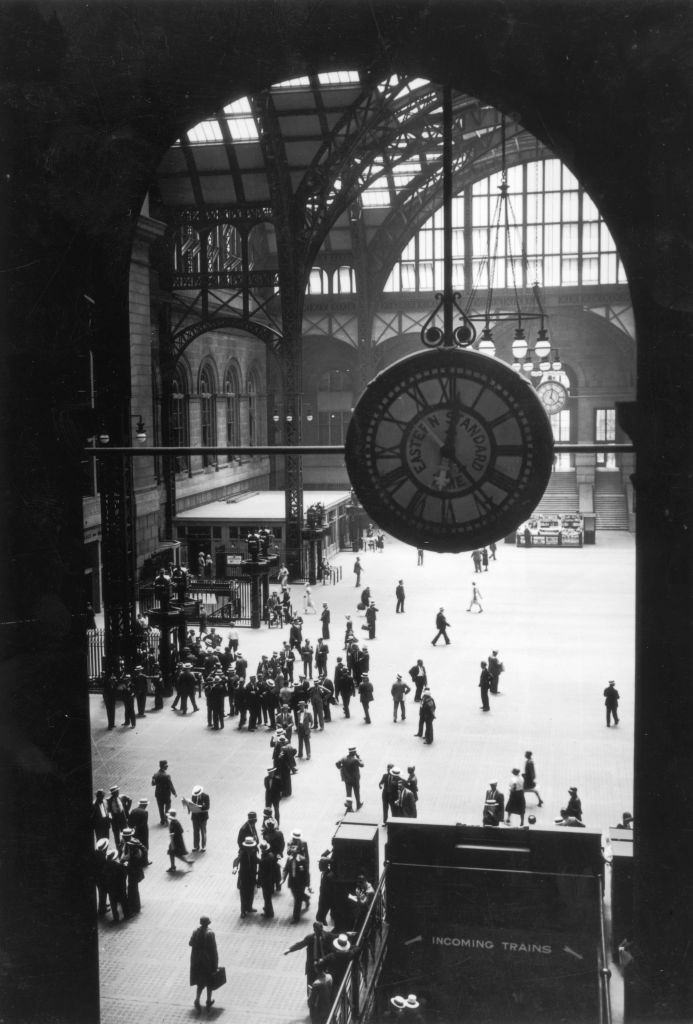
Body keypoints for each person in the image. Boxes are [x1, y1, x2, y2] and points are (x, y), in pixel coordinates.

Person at [189, 915, 219, 1012]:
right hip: (207, 962)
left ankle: (197, 1000)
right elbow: (214, 950)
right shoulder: (210, 933)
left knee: (200, 983)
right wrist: (215, 964)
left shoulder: (195, 931)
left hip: (197, 961)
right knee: (209, 981)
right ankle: (208, 1000)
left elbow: (190, 943)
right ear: (208, 923)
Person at [283, 829, 311, 922]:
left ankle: (296, 917)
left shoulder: (303, 844)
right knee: (296, 895)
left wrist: (307, 882)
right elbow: (287, 855)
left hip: (300, 876)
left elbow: (306, 857)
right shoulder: (290, 843)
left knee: (297, 900)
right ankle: (306, 898)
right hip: (292, 878)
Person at [234, 836, 259, 917]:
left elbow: (256, 860)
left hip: (252, 875)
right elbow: (237, 860)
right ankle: (243, 911)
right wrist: (235, 867)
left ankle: (249, 907)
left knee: (251, 892)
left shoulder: (254, 851)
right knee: (243, 894)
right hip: (244, 876)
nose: (250, 849)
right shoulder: (242, 852)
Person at [183, 785, 210, 852]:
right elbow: (192, 805)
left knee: (203, 832)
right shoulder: (193, 796)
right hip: (195, 817)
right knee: (195, 832)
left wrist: (199, 807)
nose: (196, 795)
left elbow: (207, 807)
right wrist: (189, 806)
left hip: (203, 817)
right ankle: (196, 846)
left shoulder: (206, 796)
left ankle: (203, 847)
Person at [151, 759, 177, 825]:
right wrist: (174, 793)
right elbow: (170, 785)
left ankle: (162, 820)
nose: (167, 767)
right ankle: (166, 819)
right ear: (164, 766)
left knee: (160, 808)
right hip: (166, 794)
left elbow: (153, 784)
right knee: (168, 806)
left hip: (158, 794)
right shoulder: (167, 775)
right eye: (166, 765)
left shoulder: (155, 774)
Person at [257, 839, 277, 918]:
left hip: (266, 881)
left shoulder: (263, 860)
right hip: (271, 880)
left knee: (267, 897)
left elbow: (260, 872)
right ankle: (267, 909)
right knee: (268, 897)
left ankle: (269, 912)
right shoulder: (271, 855)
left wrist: (258, 882)